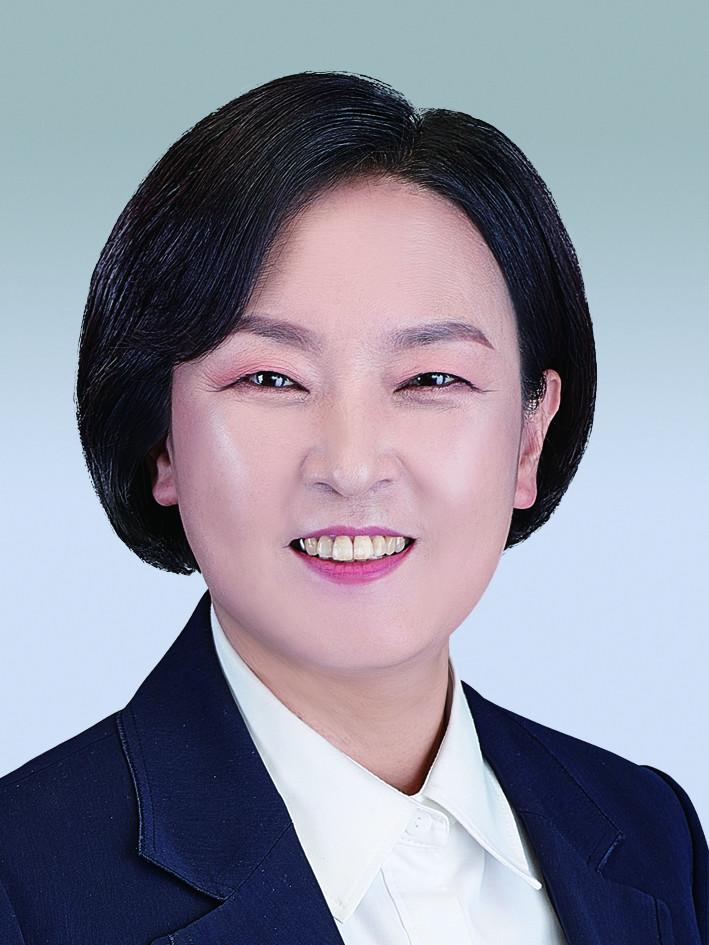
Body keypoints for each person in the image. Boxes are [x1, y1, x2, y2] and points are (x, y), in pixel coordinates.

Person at [0, 70, 705, 944]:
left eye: (431, 377)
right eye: (270, 378)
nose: (351, 465)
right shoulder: (24, 882)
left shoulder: (649, 832)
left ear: (529, 437)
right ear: (162, 441)